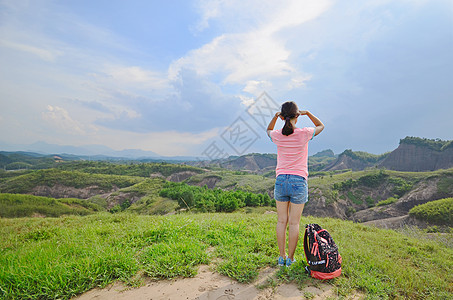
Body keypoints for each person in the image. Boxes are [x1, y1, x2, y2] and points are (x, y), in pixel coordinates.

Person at [266, 101, 324, 267]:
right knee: (294, 223)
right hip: (298, 181)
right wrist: (308, 113)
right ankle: (290, 260)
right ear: (297, 116)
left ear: (282, 116)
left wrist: (275, 117)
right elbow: (321, 125)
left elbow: (268, 130)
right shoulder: (305, 133)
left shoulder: (278, 135)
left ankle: (281, 257)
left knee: (281, 221)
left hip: (281, 180)